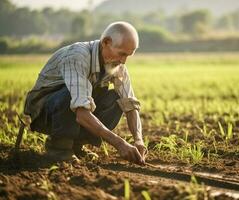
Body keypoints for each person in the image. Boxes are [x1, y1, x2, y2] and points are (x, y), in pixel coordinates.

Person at [23, 21, 147, 165]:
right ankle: (59, 148)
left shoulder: (116, 65)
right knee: (74, 95)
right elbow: (81, 112)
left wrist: (138, 140)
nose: (123, 61)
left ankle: (76, 145)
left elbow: (130, 104)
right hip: (45, 110)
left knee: (117, 99)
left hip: (73, 106)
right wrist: (119, 143)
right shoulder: (77, 56)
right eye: (122, 54)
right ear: (106, 42)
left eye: (128, 56)